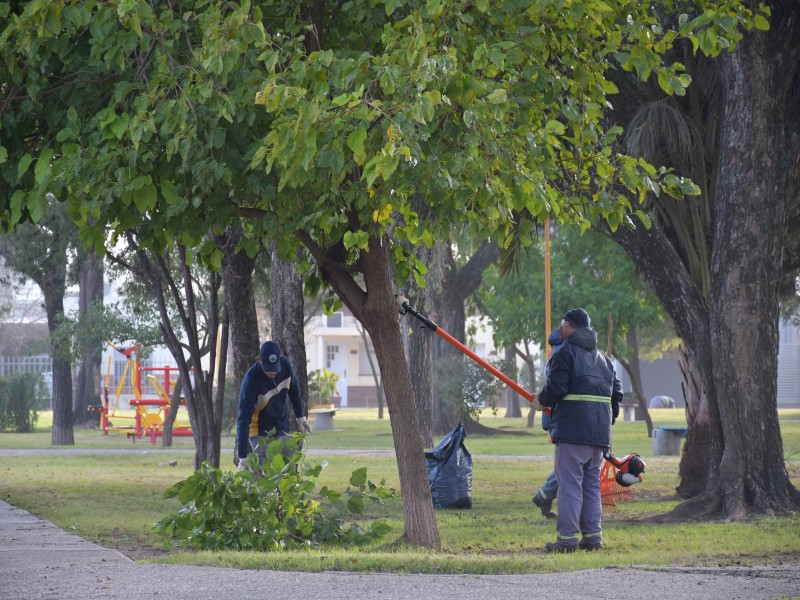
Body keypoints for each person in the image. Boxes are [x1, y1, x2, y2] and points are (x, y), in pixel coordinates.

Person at [537, 308, 622, 553]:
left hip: (573, 433)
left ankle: (567, 540)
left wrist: (540, 400)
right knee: (591, 486)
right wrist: (606, 422)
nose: (560, 328)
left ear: (572, 326)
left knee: (570, 486)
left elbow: (557, 387)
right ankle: (593, 538)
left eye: (563, 324)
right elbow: (616, 394)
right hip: (599, 435)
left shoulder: (564, 353)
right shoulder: (605, 359)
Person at [236, 340, 311, 471]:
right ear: (260, 360)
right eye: (268, 369)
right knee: (268, 473)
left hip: (282, 427)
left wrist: (300, 416)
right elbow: (243, 419)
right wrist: (242, 456)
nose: (272, 373)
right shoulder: (251, 382)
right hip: (260, 432)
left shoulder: (285, 366)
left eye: (275, 368)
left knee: (289, 469)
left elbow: (294, 390)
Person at [531, 327, 563, 519]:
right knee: (567, 465)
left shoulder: (557, 352)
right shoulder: (562, 353)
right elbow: (556, 387)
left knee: (567, 464)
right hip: (559, 416)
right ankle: (544, 495)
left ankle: (544, 496)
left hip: (556, 415)